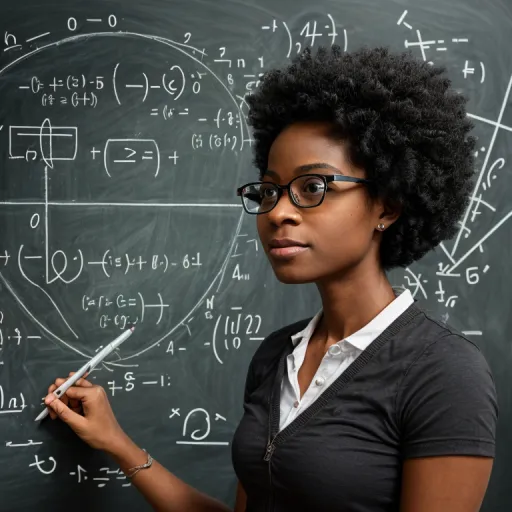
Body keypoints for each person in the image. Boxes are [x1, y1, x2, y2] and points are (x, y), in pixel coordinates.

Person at [44, 45, 498, 512]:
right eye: (269, 189)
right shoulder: (275, 357)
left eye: (312, 187)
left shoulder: (442, 372)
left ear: (387, 206)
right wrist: (117, 442)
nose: (278, 211)